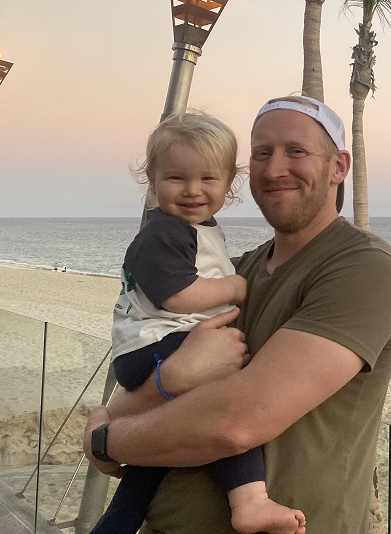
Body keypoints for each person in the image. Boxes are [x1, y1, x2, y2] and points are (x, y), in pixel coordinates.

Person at [84, 96, 391, 534]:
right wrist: (173, 377)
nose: (274, 169)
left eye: (296, 151)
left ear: (338, 167)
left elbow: (234, 424)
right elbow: (131, 398)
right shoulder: (234, 273)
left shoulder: (363, 269)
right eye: (261, 153)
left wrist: (104, 441)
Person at [90, 112, 305, 534]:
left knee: (155, 458)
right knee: (225, 399)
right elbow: (178, 295)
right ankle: (250, 500)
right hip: (160, 342)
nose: (192, 190)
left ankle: (115, 525)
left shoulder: (193, 230)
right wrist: (234, 286)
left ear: (229, 183)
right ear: (152, 180)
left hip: (155, 344)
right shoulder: (167, 232)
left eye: (208, 178)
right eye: (176, 178)